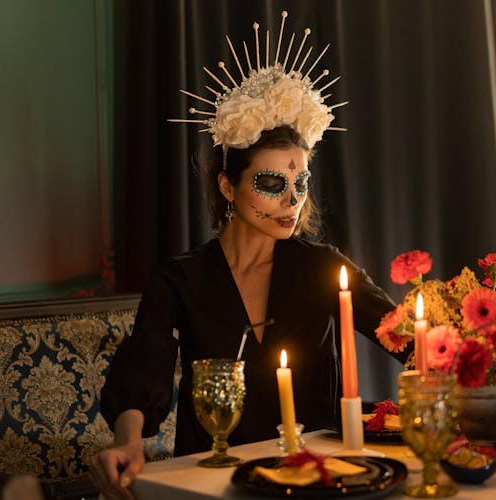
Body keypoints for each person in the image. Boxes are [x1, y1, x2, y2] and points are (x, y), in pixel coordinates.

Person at [89, 12, 408, 499]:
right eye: (271, 184)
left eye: (300, 183)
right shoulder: (181, 279)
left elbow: (405, 336)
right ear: (227, 186)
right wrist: (128, 442)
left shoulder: (325, 267)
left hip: (320, 478)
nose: (292, 200)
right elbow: (144, 367)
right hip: (215, 481)